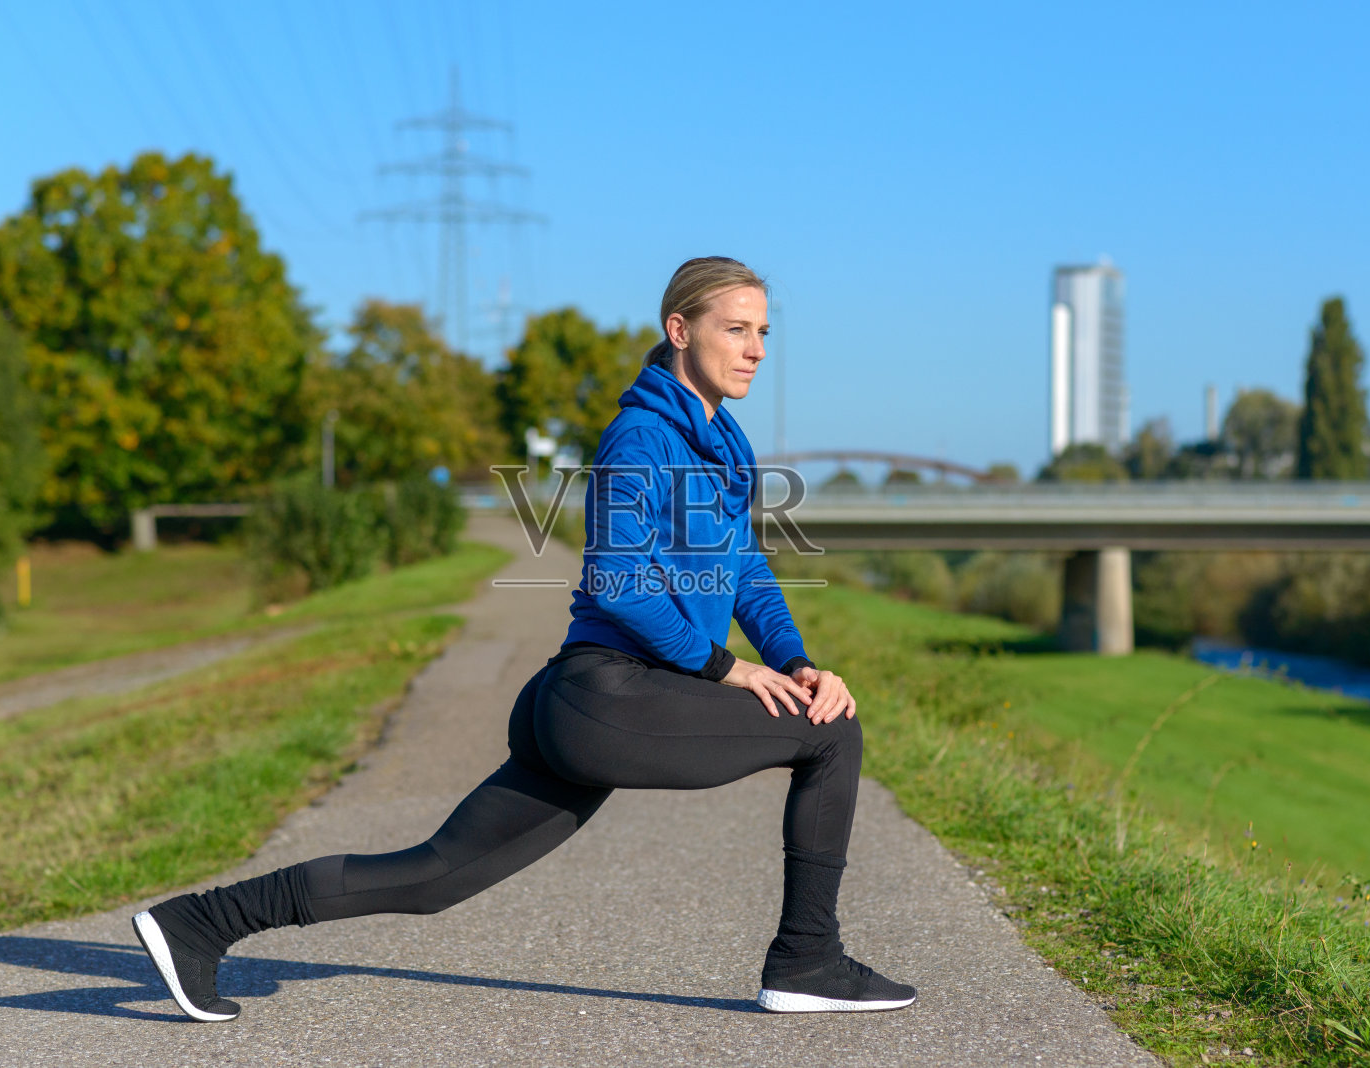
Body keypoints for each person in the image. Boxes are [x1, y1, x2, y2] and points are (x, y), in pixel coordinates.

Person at [132, 256, 916, 1021]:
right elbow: (617, 581)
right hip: (609, 696)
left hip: (588, 703)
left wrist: (797, 663)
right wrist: (727, 670)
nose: (756, 350)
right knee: (832, 735)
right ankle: (808, 960)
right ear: (679, 329)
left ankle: (201, 923)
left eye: (765, 332)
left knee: (433, 877)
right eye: (737, 329)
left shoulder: (728, 445)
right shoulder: (639, 439)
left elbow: (746, 569)